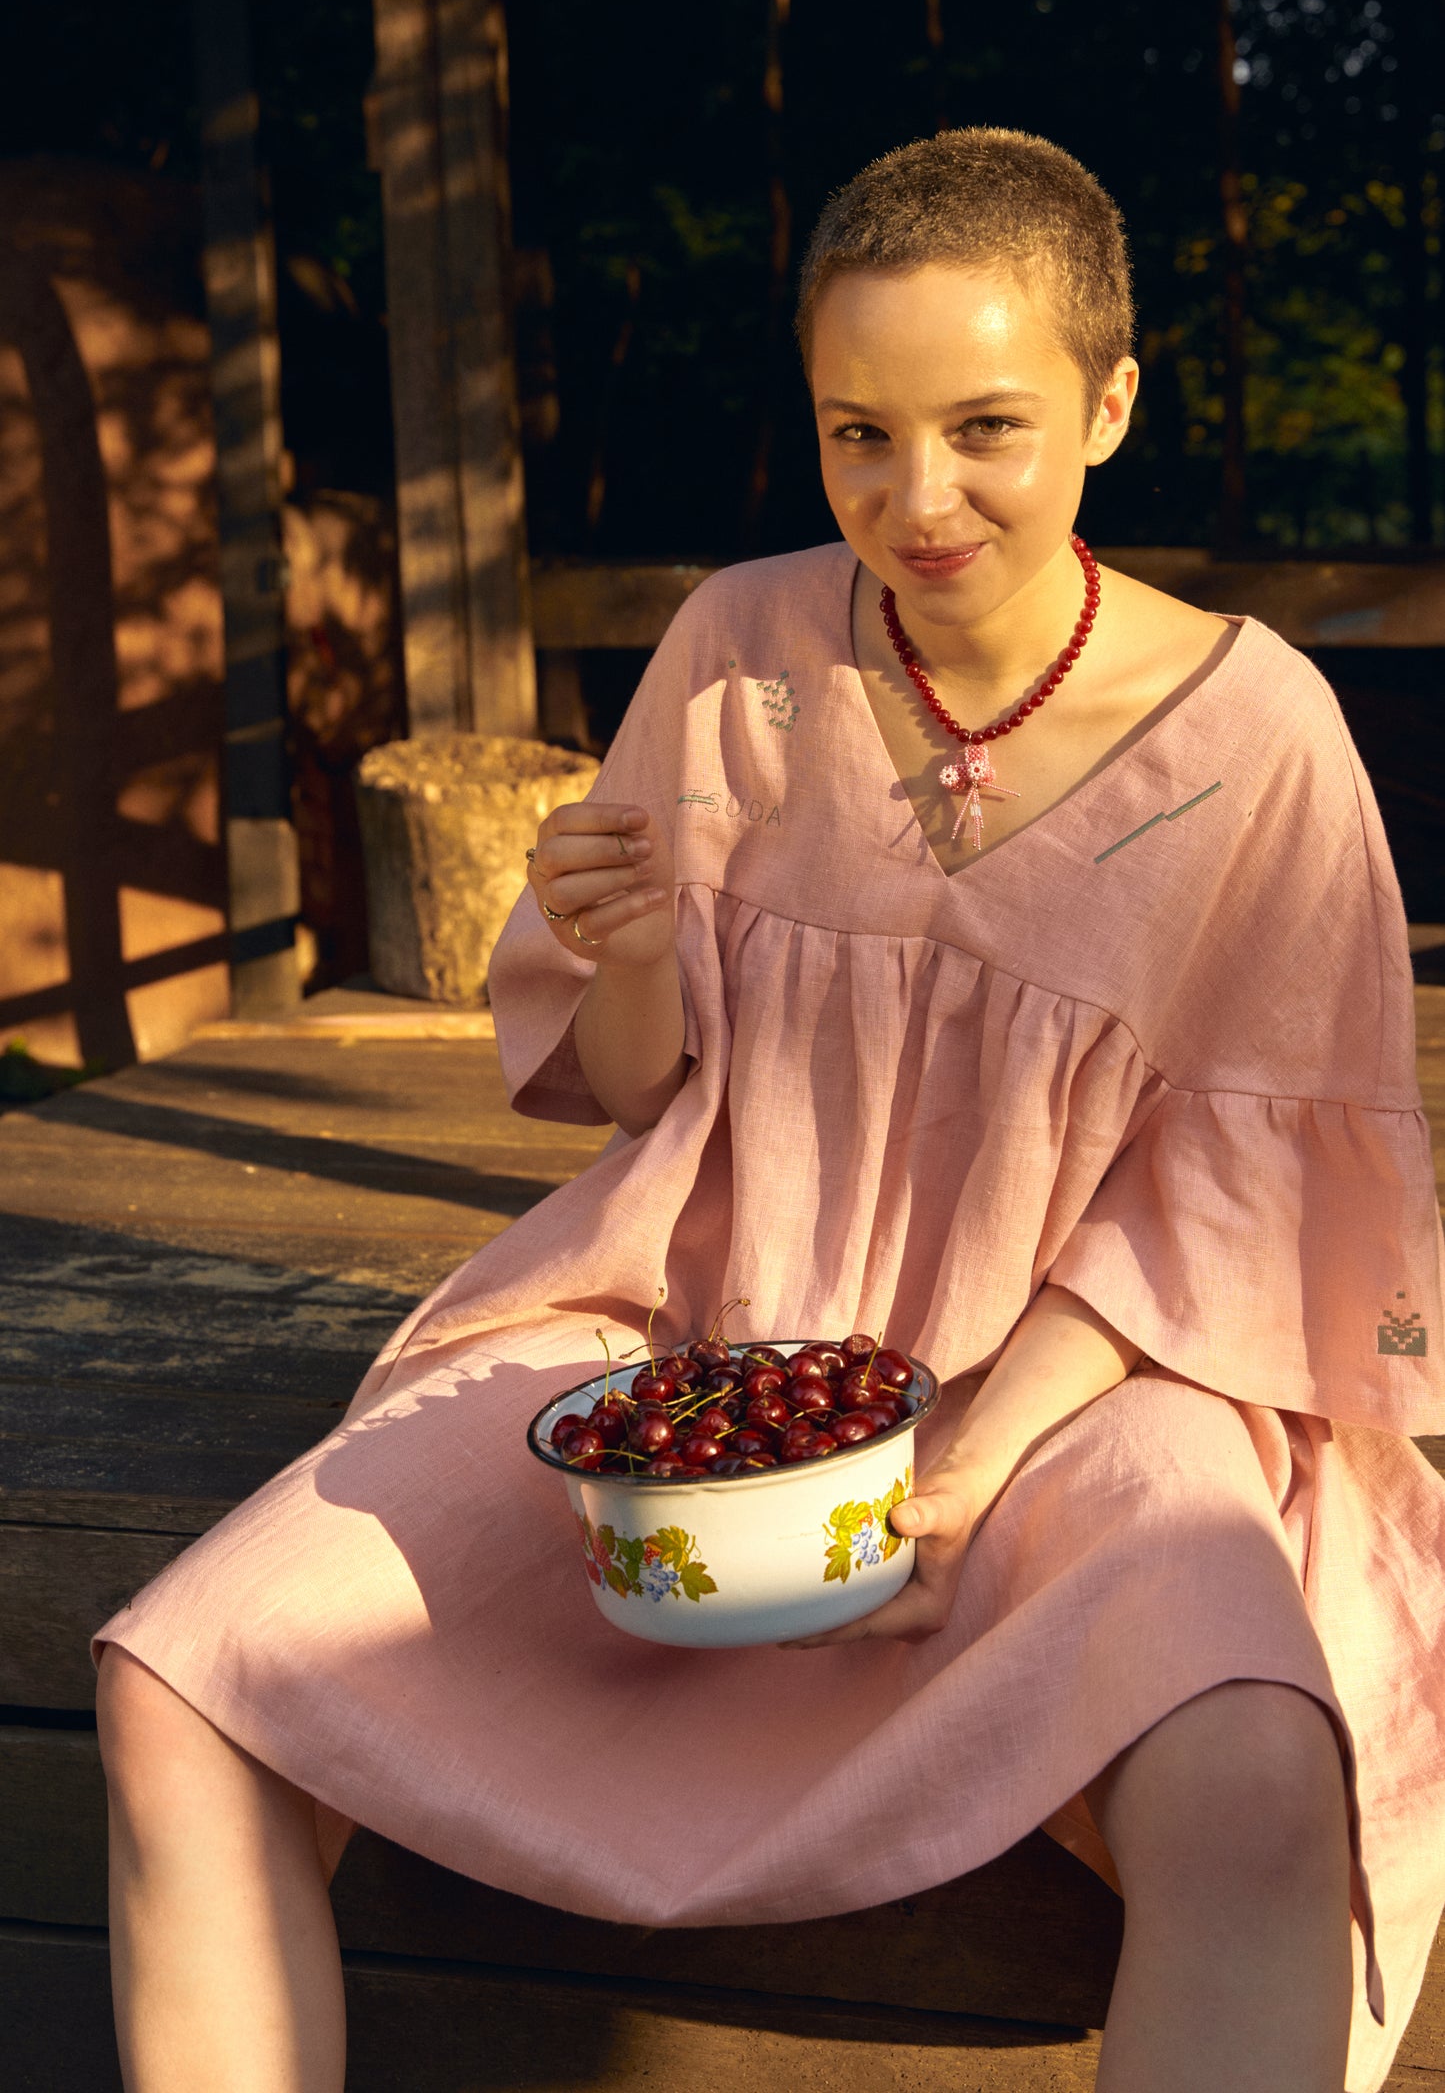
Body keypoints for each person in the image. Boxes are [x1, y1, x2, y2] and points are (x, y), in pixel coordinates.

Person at [94, 127, 1445, 2093]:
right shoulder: (738, 646)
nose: (920, 499)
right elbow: (637, 1090)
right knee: (173, 1679)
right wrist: (624, 948)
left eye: (987, 423)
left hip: (1089, 1383)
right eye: (857, 433)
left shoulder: (1258, 740)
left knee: (1258, 1768)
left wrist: (969, 1451)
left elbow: (1238, 1199)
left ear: (1112, 402)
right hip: (700, 1337)